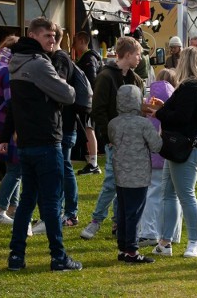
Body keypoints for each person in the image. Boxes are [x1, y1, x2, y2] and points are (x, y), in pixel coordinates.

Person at [0, 16, 81, 271]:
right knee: (51, 202)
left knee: (26, 202)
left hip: (26, 143)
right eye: (48, 35)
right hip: (46, 140)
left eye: (55, 36)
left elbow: (15, 105)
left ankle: (16, 256)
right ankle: (58, 257)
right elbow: (69, 94)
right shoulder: (37, 64)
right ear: (33, 35)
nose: (53, 40)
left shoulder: (15, 60)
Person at [150, 47, 197, 258]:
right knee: (169, 194)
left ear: (184, 63)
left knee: (185, 195)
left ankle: (194, 242)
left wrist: (160, 112)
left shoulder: (190, 87)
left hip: (186, 146)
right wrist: (165, 109)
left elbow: (180, 117)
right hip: (187, 146)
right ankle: (165, 242)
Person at [80, 37, 144, 240]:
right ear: (127, 54)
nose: (140, 58)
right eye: (137, 54)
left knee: (124, 184)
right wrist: (108, 136)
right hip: (115, 139)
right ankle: (96, 221)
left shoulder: (135, 79)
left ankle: (119, 222)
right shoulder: (106, 77)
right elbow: (98, 110)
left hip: (132, 139)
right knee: (111, 182)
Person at [32, 25, 81, 235]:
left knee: (61, 170)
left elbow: (59, 85)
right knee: (63, 168)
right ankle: (66, 213)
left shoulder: (60, 59)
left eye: (52, 36)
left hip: (64, 124)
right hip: (65, 123)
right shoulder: (59, 57)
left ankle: (65, 213)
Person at [109, 85, 162, 263]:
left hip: (120, 173)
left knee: (123, 211)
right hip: (138, 175)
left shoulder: (113, 123)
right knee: (134, 213)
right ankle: (131, 250)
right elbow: (156, 146)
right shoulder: (143, 124)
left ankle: (123, 247)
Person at [138, 68, 183, 248]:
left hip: (153, 153)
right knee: (174, 195)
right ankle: (173, 233)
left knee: (152, 194)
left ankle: (149, 231)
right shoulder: (175, 101)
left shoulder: (150, 101)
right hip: (171, 152)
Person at [0, 35, 20, 225]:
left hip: (0, 123)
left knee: (14, 168)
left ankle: (12, 209)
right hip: (9, 125)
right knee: (16, 169)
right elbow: (12, 102)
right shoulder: (8, 71)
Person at [73, 31, 102, 175]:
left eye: (76, 41)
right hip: (90, 100)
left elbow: (91, 80)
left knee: (89, 129)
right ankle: (92, 161)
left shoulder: (89, 58)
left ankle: (93, 163)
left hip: (89, 101)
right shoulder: (87, 58)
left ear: (83, 41)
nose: (73, 45)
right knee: (88, 129)